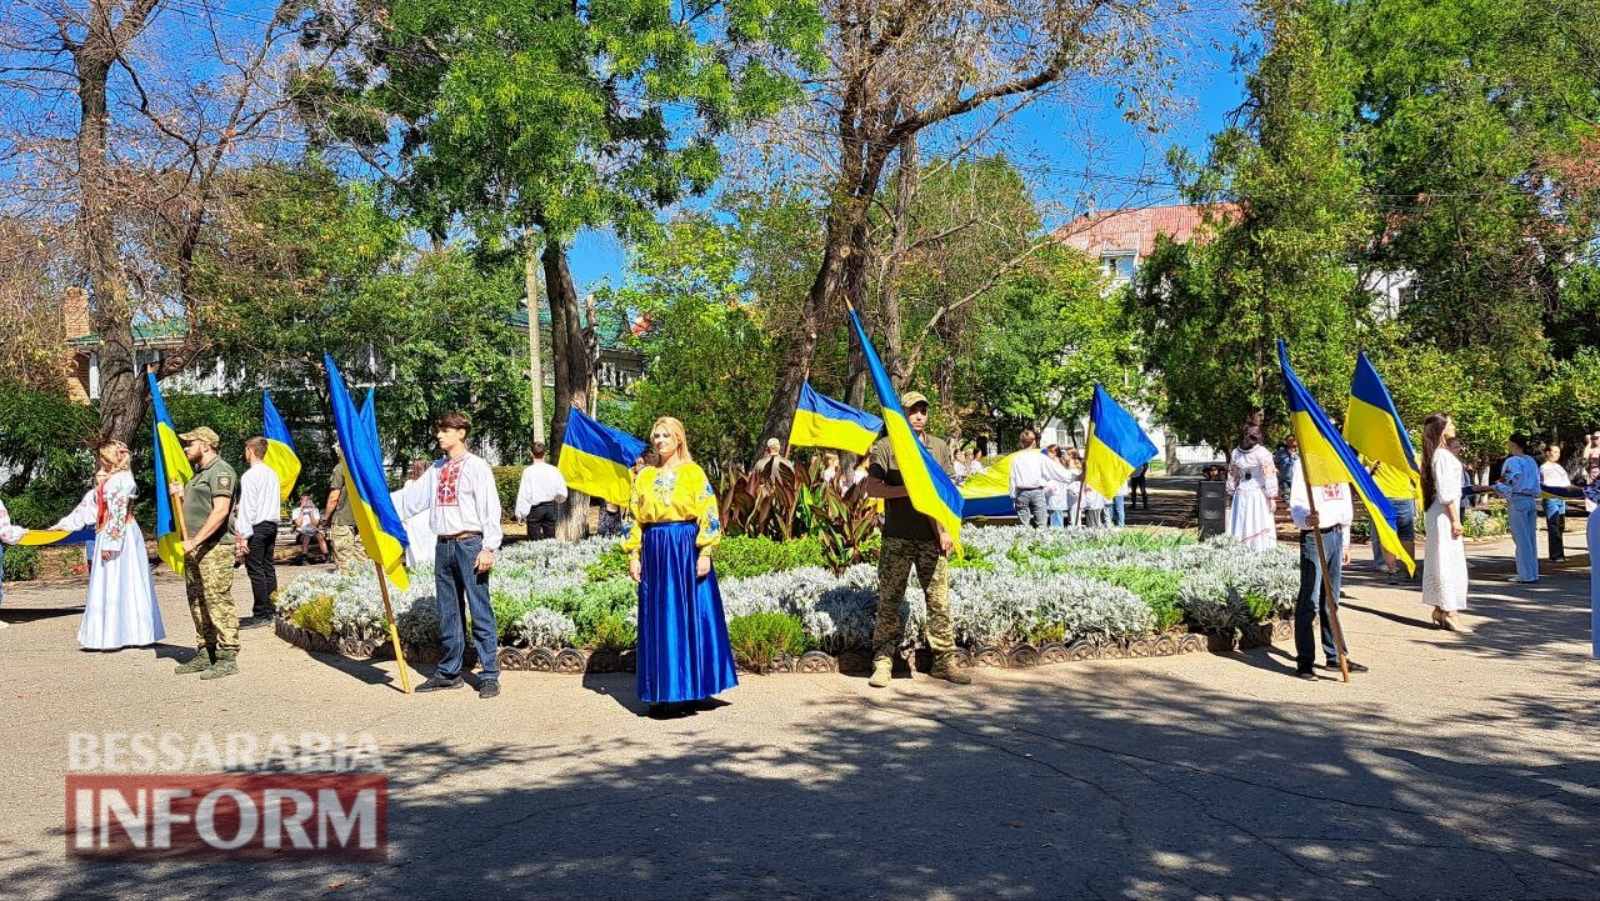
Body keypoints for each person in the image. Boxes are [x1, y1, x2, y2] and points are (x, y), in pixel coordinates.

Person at [624, 417, 738, 716]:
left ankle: (694, 687)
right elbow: (633, 517)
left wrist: (706, 552)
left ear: (678, 439)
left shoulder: (693, 473)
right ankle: (664, 691)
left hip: (685, 547)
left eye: (665, 435)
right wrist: (633, 555)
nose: (659, 440)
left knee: (693, 615)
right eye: (655, 436)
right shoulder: (644, 477)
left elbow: (709, 512)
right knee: (661, 618)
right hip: (656, 549)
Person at [863, 390, 969, 687]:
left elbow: (947, 492)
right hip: (897, 537)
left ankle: (943, 661)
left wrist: (945, 529)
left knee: (939, 602)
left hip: (931, 539)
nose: (919, 415)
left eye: (923, 410)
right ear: (902, 414)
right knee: (890, 601)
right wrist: (909, 492)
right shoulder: (886, 447)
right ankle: (883, 661)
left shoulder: (938, 447)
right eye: (913, 411)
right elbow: (873, 488)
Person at [397, 412, 505, 699]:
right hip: (443, 545)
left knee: (479, 608)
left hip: (470, 544)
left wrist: (489, 547)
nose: (439, 435)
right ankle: (449, 671)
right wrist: (377, 503)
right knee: (449, 611)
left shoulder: (477, 467)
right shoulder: (435, 469)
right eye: (439, 430)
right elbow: (411, 501)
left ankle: (490, 673)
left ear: (461, 433)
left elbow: (490, 508)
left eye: (445, 430)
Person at [47, 441, 164, 650]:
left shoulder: (123, 480)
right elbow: (89, 508)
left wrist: (111, 542)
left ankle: (129, 633)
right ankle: (112, 633)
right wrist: (63, 526)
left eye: (103, 457)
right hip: (107, 531)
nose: (100, 462)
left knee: (123, 578)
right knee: (111, 579)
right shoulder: (109, 481)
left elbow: (118, 514)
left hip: (120, 534)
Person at [171, 427, 240, 679]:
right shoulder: (198, 475)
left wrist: (197, 541)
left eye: (190, 443)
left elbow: (220, 511)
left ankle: (227, 654)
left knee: (217, 600)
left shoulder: (221, 471)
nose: (186, 447)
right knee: (197, 600)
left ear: (206, 445)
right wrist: (181, 494)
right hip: (195, 549)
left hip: (215, 548)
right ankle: (205, 650)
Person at [1289, 466, 1369, 679]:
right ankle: (1305, 661)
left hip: (1335, 533)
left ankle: (1335, 656)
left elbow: (1344, 503)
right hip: (1315, 535)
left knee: (1331, 601)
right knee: (1310, 599)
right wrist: (1306, 518)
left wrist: (1345, 542)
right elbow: (1297, 504)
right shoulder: (1304, 462)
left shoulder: (1336, 460)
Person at [1420, 414, 1469, 630]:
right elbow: (1446, 492)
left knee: (1443, 558)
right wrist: (1455, 520)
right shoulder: (1441, 456)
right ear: (1441, 429)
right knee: (1448, 560)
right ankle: (1450, 611)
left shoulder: (1440, 454)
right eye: (1450, 424)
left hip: (1440, 513)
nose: (1454, 426)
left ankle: (1441, 608)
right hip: (1444, 515)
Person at [233, 437, 282, 626]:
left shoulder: (250, 476)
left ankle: (261, 612)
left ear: (251, 450)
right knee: (268, 567)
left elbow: (247, 507)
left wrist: (243, 535)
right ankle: (274, 608)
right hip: (271, 524)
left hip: (257, 525)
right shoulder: (272, 474)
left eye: (246, 450)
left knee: (255, 569)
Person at [1492, 433, 1541, 583]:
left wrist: (1497, 486)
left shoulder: (1513, 460)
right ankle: (1533, 572)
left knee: (1521, 539)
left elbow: (1512, 478)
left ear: (1513, 444)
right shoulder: (1531, 460)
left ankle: (1525, 574)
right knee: (1530, 538)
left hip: (1518, 498)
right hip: (1531, 499)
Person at [1226, 426, 1278, 551]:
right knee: (1248, 519)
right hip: (1250, 494)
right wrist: (1271, 496)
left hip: (1253, 493)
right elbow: (1233, 474)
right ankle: (1248, 548)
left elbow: (1269, 475)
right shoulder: (1241, 453)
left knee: (1252, 520)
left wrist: (1271, 497)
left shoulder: (1258, 453)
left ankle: (1255, 548)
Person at [1367, 458, 1418, 584]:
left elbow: (1360, 467)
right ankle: (1410, 570)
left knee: (1388, 535)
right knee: (1406, 536)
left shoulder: (1370, 452)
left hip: (1382, 497)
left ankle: (1392, 571)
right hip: (1404, 495)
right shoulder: (1403, 450)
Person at [514, 442, 568, 541]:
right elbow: (562, 492)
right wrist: (555, 502)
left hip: (535, 510)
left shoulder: (528, 471)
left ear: (531, 453)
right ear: (545, 453)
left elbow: (524, 494)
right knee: (551, 541)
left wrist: (520, 514)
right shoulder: (554, 470)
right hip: (550, 508)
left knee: (534, 542)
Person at [323, 450, 365, 569]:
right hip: (364, 523)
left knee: (345, 564)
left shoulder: (341, 468)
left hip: (343, 521)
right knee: (363, 564)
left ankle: (348, 586)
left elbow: (333, 498)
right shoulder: (364, 467)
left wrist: (325, 518)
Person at [392, 459, 436, 569]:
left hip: (417, 520)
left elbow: (403, 501)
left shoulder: (413, 483)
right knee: (425, 546)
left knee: (419, 546)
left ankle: (419, 566)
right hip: (423, 519)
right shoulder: (413, 484)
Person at [1009, 428, 1049, 528]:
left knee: (1024, 524)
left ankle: (1026, 541)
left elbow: (1012, 478)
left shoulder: (1016, 457)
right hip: (1037, 491)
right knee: (1041, 523)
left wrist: (1013, 497)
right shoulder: (1039, 456)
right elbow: (1050, 472)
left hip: (1022, 492)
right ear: (1034, 442)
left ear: (1022, 443)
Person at [1539, 443, 1569, 563]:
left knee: (1560, 525)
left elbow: (1565, 482)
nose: (1557, 454)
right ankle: (1556, 555)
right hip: (1551, 498)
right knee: (1554, 525)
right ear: (1547, 453)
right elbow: (1548, 484)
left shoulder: (1558, 467)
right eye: (1554, 452)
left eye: (1558, 452)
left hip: (1561, 497)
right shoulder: (1544, 468)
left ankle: (1559, 552)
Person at [290, 494, 327, 563]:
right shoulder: (296, 511)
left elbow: (315, 524)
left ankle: (326, 555)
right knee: (306, 536)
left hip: (313, 531)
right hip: (301, 532)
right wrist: (301, 511)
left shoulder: (315, 510)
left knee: (320, 536)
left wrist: (311, 513)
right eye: (305, 500)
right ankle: (304, 557)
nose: (307, 502)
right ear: (301, 501)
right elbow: (298, 524)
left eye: (308, 500)